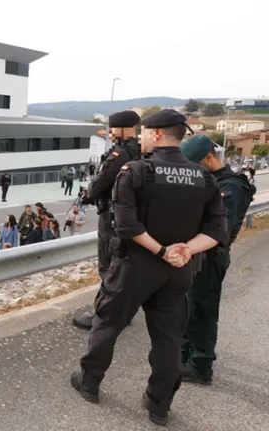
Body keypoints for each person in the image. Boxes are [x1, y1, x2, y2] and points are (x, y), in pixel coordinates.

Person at [71, 109, 228, 426]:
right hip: (179, 268)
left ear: (157, 135)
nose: (140, 137)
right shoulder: (205, 178)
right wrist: (183, 250)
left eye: (143, 133)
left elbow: (126, 225)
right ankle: (159, 405)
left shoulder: (136, 171)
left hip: (136, 266)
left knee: (108, 323)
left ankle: (89, 382)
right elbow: (216, 231)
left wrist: (161, 250)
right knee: (169, 337)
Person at [179, 134, 254, 385]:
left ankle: (201, 366)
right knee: (190, 308)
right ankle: (186, 356)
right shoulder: (207, 182)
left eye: (194, 166)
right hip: (197, 255)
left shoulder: (231, 186)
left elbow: (219, 227)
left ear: (209, 159)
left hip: (211, 256)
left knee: (203, 310)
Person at [73, 110, 143, 330]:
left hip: (111, 219)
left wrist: (87, 195)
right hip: (131, 216)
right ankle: (123, 313)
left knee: (109, 268)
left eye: (113, 128)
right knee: (123, 267)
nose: (111, 132)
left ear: (122, 128)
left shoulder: (119, 154)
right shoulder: (142, 151)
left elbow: (101, 181)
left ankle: (104, 317)